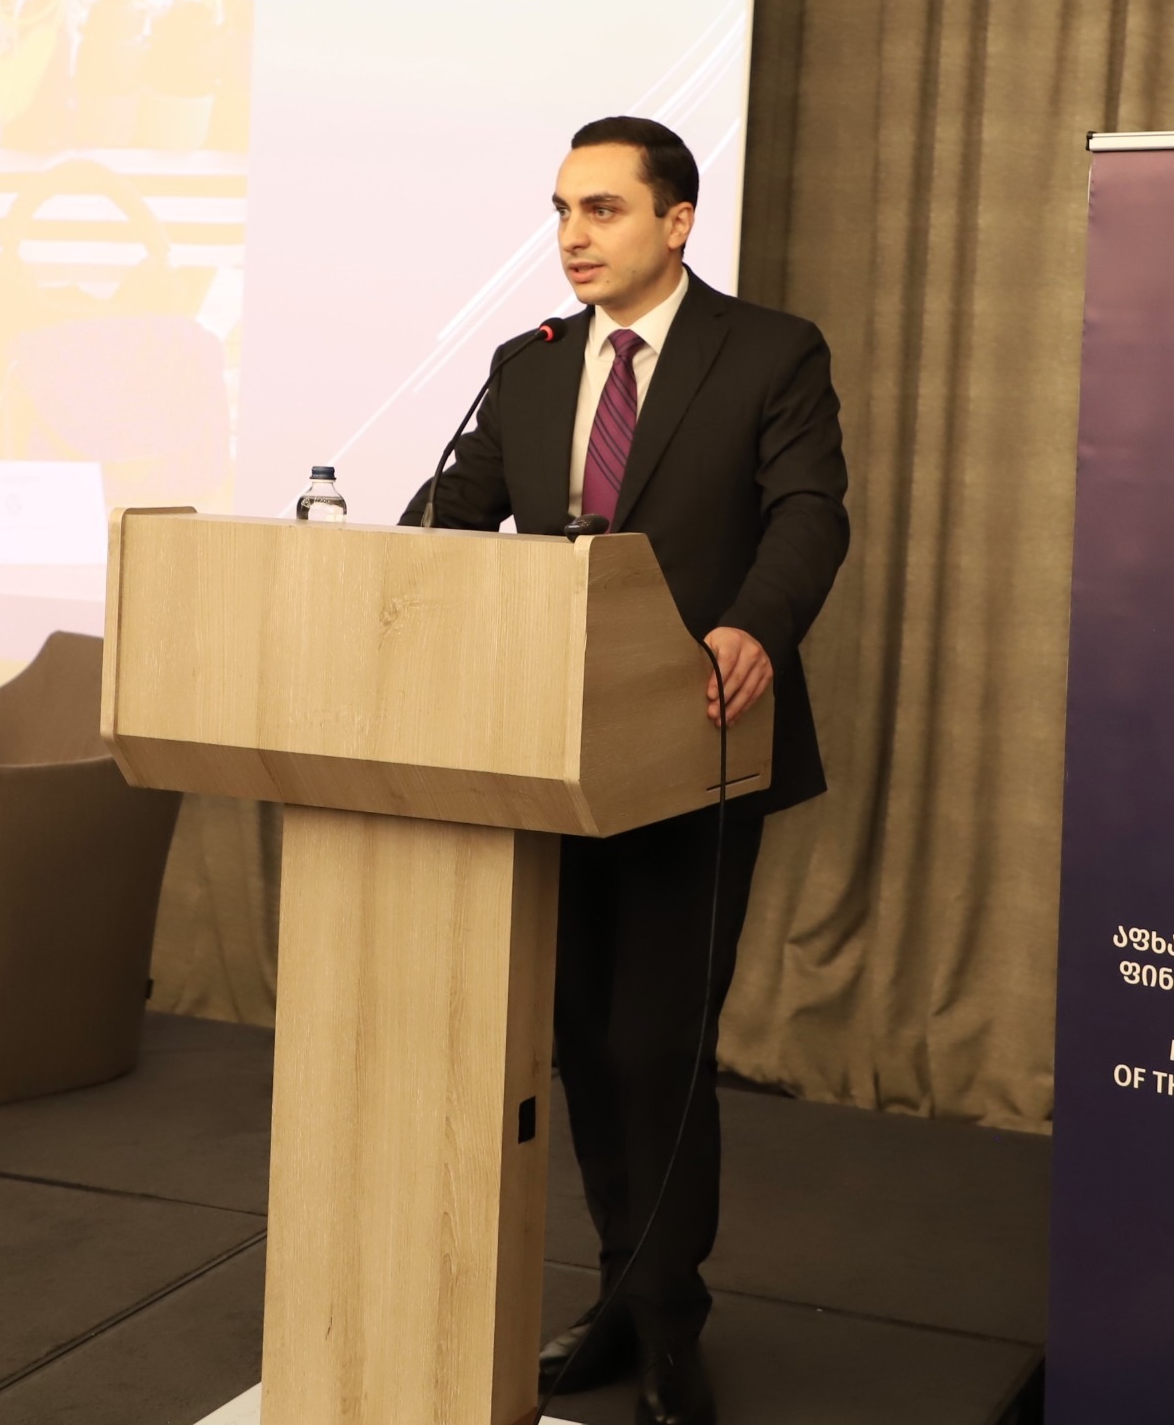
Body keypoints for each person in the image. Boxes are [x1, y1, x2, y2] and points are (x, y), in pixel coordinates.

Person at [400, 116, 849, 1425]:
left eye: (601, 209)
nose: (572, 237)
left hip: (697, 744)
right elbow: (449, 518)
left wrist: (755, 625)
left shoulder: (768, 352)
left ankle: (667, 1321)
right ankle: (618, 1291)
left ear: (677, 221)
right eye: (561, 211)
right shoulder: (531, 365)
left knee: (659, 1042)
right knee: (586, 1044)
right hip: (552, 756)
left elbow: (810, 510)